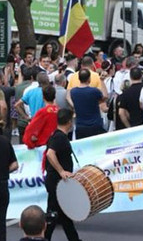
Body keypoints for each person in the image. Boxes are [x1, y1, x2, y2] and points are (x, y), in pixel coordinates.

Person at [44, 109, 80, 241]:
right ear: (69, 122)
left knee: (62, 213)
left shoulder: (58, 136)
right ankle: (45, 238)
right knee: (54, 213)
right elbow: (50, 153)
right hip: (56, 181)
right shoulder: (59, 137)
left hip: (57, 181)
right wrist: (61, 171)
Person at [66, 69, 108, 139]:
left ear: (79, 78)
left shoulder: (73, 92)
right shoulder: (94, 91)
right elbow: (105, 97)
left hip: (80, 126)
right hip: (95, 125)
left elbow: (69, 97)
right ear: (89, 78)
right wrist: (102, 81)